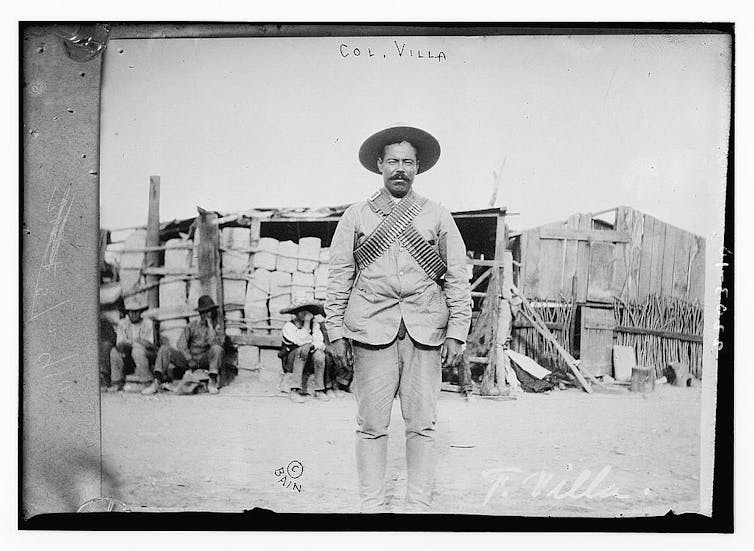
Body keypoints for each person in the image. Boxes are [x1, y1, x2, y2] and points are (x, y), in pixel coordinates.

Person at [325, 125, 472, 513]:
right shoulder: (356, 216)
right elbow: (339, 276)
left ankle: (418, 507)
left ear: (418, 167)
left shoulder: (437, 215)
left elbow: (458, 276)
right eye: (393, 161)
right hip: (371, 330)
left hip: (425, 331)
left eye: (408, 162)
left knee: (422, 426)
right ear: (379, 165)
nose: (400, 169)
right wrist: (335, 330)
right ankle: (370, 508)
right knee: (371, 426)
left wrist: (457, 331)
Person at [142, 295, 225, 395]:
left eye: (210, 311)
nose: (208, 314)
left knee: (217, 349)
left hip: (205, 360)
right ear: (200, 313)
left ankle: (212, 382)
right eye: (205, 312)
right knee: (165, 349)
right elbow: (181, 344)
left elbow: (217, 344)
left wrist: (211, 327)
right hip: (190, 360)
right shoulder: (192, 326)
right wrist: (189, 359)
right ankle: (156, 382)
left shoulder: (217, 327)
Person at [279, 302, 330, 403]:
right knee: (301, 350)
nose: (305, 314)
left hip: (308, 358)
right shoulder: (289, 326)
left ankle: (319, 389)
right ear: (296, 313)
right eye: (301, 311)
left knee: (320, 354)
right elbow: (300, 341)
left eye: (307, 311)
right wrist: (306, 324)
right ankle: (295, 389)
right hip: (292, 360)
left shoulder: (314, 325)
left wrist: (312, 345)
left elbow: (320, 342)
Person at [108, 304, 157, 391]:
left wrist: (137, 342)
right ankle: (117, 382)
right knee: (114, 351)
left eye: (136, 312)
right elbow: (119, 343)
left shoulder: (148, 323)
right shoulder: (123, 323)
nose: (133, 314)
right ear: (127, 313)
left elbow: (150, 344)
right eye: (131, 312)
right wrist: (130, 344)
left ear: (140, 312)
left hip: (147, 354)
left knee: (137, 350)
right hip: (129, 354)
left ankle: (146, 381)